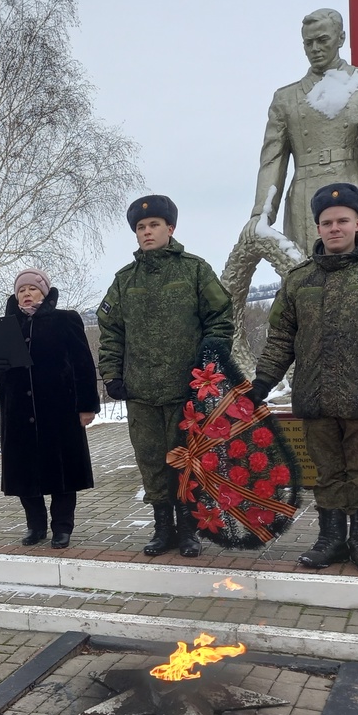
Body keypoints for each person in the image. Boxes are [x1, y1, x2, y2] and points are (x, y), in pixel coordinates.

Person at [250, 183, 358, 573]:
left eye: (342, 220)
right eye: (326, 222)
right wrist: (262, 382)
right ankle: (330, 540)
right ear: (317, 228)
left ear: (357, 223)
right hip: (315, 398)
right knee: (326, 473)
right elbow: (281, 338)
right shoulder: (298, 281)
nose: (334, 228)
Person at [98, 195, 233, 558]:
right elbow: (110, 330)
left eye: (153, 225)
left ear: (170, 229)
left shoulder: (194, 270)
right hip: (141, 392)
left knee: (187, 460)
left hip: (185, 391)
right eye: (140, 228)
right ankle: (163, 529)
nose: (146, 232)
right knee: (152, 462)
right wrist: (111, 373)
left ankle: (189, 529)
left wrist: (210, 366)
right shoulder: (125, 280)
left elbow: (220, 318)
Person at [245, 8, 358, 256]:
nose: (315, 49)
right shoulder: (286, 98)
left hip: (356, 184)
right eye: (308, 43)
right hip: (305, 194)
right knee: (306, 276)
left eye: (322, 40)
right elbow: (272, 160)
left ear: (341, 38)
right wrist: (262, 213)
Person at [0, 268, 99, 549]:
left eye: (32, 289)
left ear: (44, 292)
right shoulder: (6, 326)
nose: (26, 294)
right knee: (24, 474)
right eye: (21, 290)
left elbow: (83, 364)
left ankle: (62, 528)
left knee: (63, 475)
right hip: (18, 413)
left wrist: (87, 406)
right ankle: (36, 525)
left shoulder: (65, 320)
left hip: (59, 411)